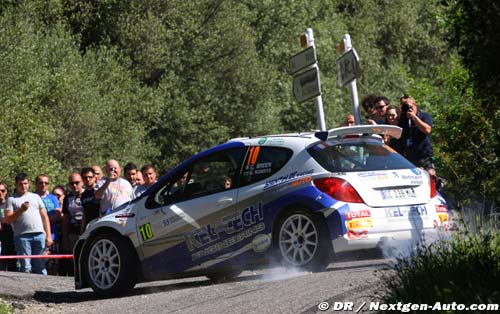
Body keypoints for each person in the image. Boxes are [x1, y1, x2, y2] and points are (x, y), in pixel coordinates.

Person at [4, 173, 52, 275]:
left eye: (25, 183)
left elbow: (45, 217)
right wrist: (21, 210)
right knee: (25, 267)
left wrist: (48, 236)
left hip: (39, 234)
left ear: (29, 183)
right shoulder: (11, 199)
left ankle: (44, 288)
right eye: (21, 184)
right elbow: (7, 219)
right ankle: (25, 290)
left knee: (41, 266)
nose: (23, 186)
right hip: (22, 236)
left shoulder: (35, 197)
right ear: (16, 185)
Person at [398, 95, 443, 189]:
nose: (407, 109)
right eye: (404, 106)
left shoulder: (424, 116)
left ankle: (438, 188)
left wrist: (414, 117)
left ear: (415, 105)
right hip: (410, 156)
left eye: (409, 106)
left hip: (424, 154)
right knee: (414, 182)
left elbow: (427, 130)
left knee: (430, 176)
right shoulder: (403, 120)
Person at [61, 173, 85, 276]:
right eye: (72, 184)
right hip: (73, 233)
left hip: (86, 232)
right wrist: (65, 238)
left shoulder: (89, 195)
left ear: (82, 182)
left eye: (77, 183)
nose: (74, 186)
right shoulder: (67, 198)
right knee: (74, 259)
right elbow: (66, 218)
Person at [0, 182, 17, 271]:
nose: (0, 193)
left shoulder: (10, 203)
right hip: (1, 235)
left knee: (12, 261)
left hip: (11, 233)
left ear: (6, 191)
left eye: (3, 190)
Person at [80, 167, 100, 231]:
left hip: (100, 223)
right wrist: (82, 229)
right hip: (89, 226)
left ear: (94, 178)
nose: (88, 179)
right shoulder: (83, 195)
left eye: (90, 177)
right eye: (85, 178)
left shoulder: (100, 191)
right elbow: (84, 213)